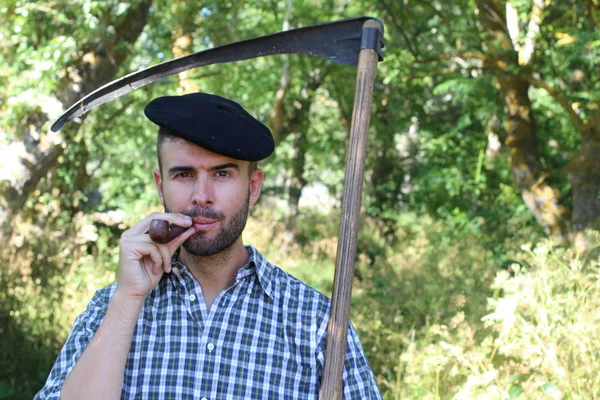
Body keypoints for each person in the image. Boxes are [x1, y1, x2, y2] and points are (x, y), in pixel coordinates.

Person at [35, 93, 382, 399]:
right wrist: (128, 299)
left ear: (254, 187)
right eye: (184, 175)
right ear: (161, 185)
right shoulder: (110, 309)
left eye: (222, 174)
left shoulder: (317, 323)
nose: (202, 196)